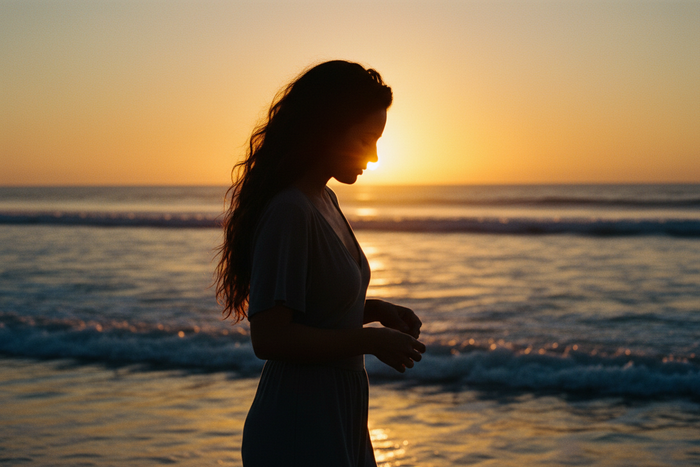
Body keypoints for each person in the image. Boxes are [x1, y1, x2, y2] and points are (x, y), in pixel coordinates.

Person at [215, 60, 426, 467]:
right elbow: (271, 338)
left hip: (338, 413)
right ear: (328, 129)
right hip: (299, 423)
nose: (377, 156)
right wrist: (369, 341)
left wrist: (375, 311)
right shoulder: (291, 210)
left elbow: (314, 313)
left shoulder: (323, 199)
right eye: (367, 139)